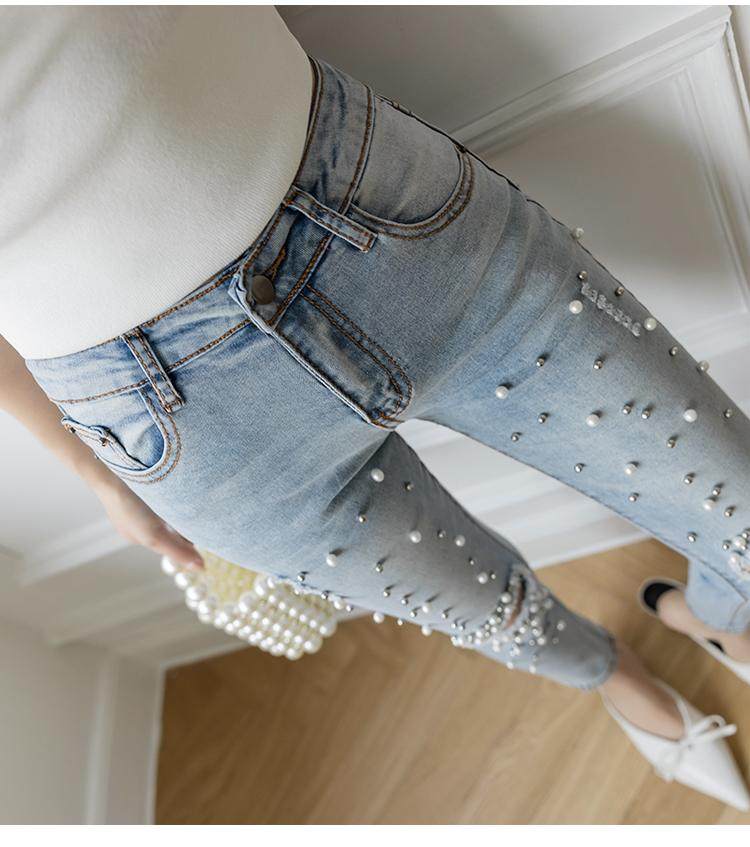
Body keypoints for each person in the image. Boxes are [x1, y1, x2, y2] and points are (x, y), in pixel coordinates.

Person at [2, 6, 749, 811]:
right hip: (181, 425)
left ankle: (719, 619)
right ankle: (615, 675)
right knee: (493, 615)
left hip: (385, 219)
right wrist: (95, 473)